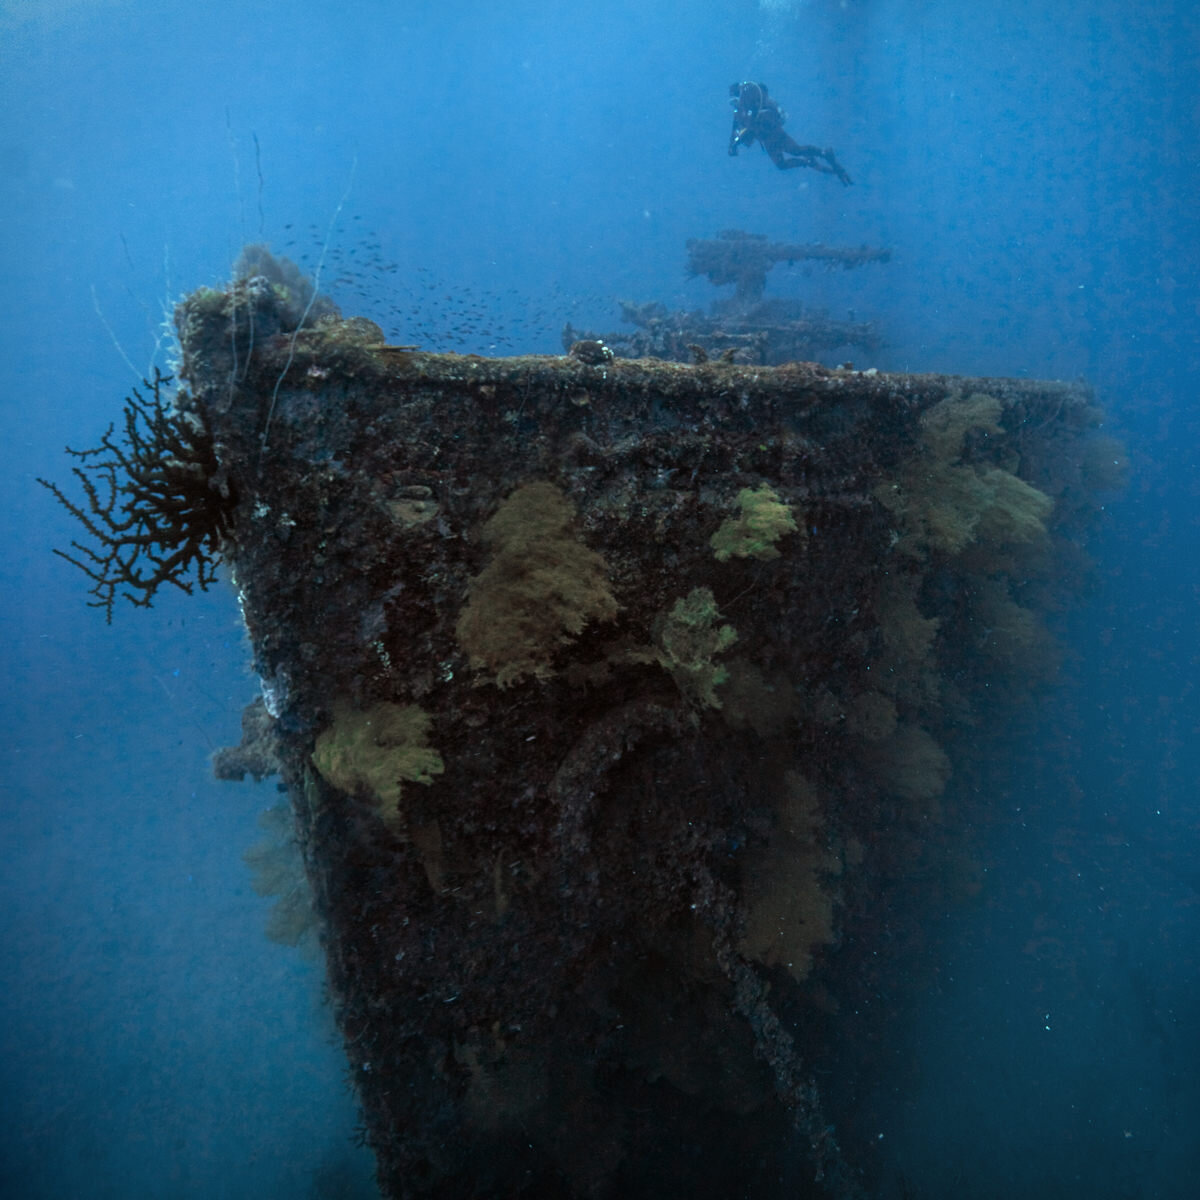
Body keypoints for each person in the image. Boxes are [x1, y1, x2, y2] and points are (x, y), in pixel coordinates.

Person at [728, 81, 852, 185]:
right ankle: (810, 160)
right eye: (732, 103)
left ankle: (822, 153)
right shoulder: (740, 113)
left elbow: (749, 127)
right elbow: (737, 129)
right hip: (766, 139)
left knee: (796, 150)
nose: (735, 105)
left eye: (735, 101)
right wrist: (733, 144)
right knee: (782, 163)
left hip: (773, 132)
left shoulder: (751, 107)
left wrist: (736, 143)